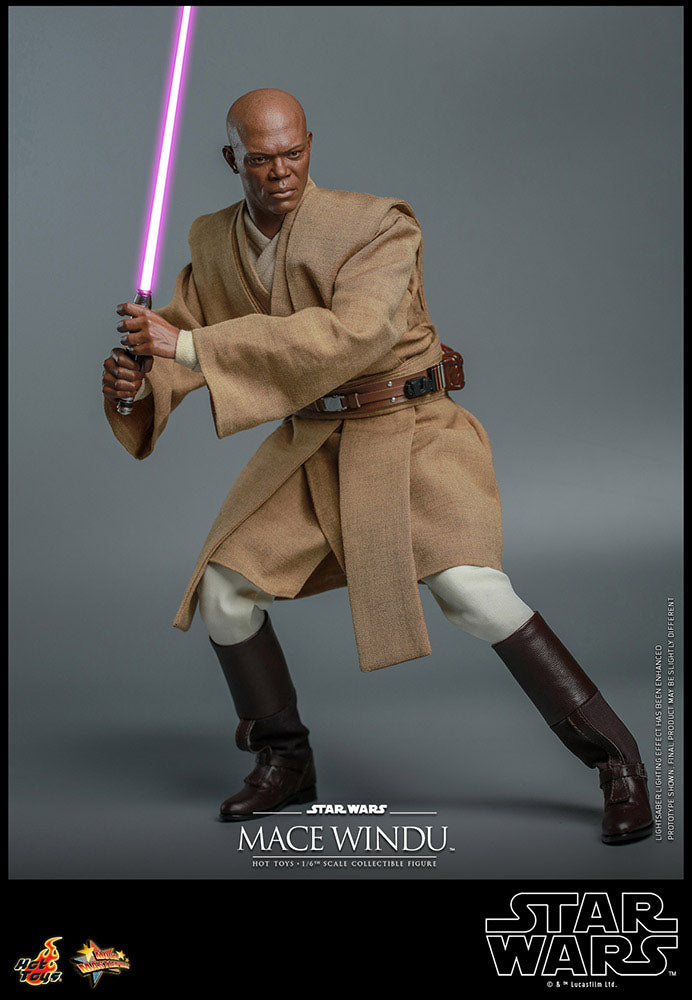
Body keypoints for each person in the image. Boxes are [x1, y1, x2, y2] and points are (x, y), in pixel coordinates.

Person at [102, 89, 652, 844]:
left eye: (293, 153)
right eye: (260, 159)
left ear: (310, 146)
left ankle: (619, 762)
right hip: (316, 444)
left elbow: (351, 335)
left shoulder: (376, 227)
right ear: (233, 159)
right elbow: (179, 336)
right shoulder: (214, 240)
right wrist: (138, 382)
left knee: (475, 595)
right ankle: (285, 760)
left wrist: (188, 347)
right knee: (225, 591)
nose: (280, 171)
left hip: (410, 432)